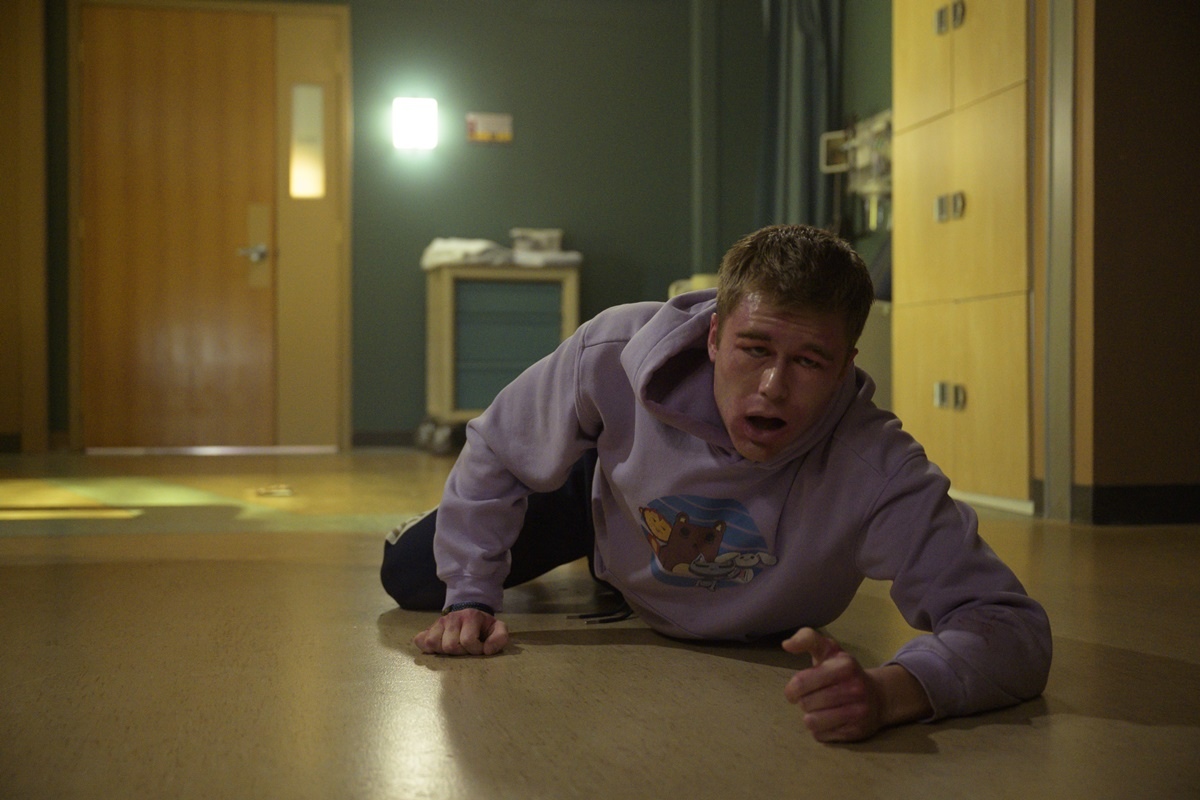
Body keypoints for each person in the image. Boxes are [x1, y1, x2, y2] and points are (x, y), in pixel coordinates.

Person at [381, 223, 1052, 743]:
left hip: (668, 547)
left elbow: (1009, 627)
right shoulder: (614, 349)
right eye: (754, 349)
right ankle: (592, 544)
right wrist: (469, 593)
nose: (773, 387)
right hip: (604, 491)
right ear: (711, 337)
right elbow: (498, 446)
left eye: (809, 361)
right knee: (413, 574)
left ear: (847, 364)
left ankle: (615, 568)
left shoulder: (876, 467)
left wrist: (892, 693)